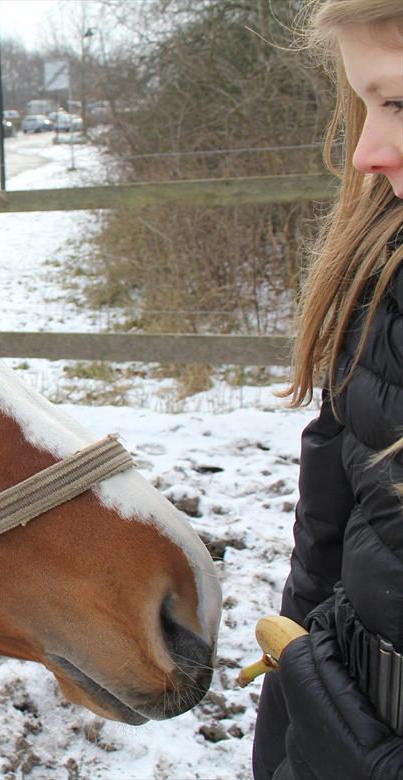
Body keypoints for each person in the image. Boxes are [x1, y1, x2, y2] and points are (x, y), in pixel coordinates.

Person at [252, 1, 403, 777]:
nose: (367, 154)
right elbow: (325, 546)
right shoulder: (385, 284)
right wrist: (292, 718)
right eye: (365, 105)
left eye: (400, 102)